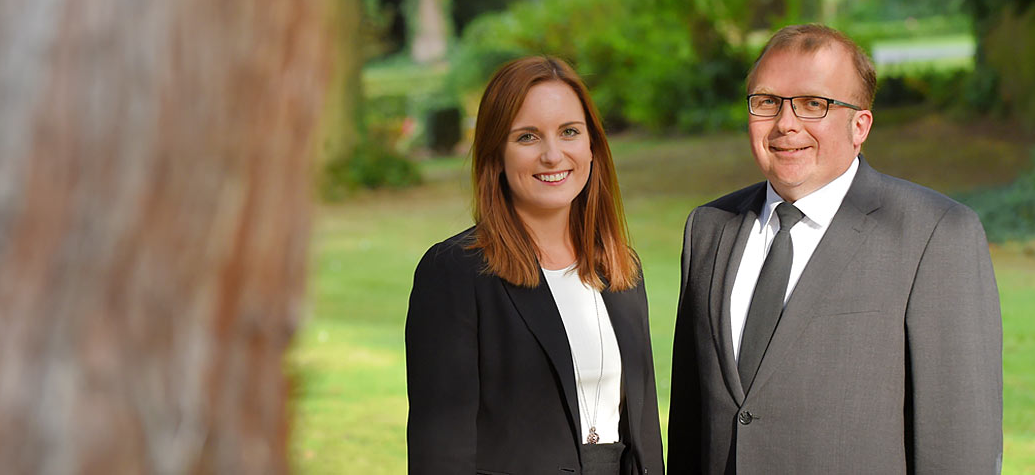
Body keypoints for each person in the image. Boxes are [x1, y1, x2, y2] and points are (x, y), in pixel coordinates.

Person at [667, 24, 1003, 474]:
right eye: (767, 102)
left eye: (813, 104)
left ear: (859, 125)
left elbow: (960, 443)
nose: (786, 124)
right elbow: (691, 423)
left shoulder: (934, 233)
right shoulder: (709, 229)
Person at [406, 56, 664, 475]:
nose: (552, 154)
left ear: (593, 146)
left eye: (569, 132)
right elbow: (441, 452)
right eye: (527, 137)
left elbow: (644, 435)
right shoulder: (454, 273)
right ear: (496, 155)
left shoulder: (619, 269)